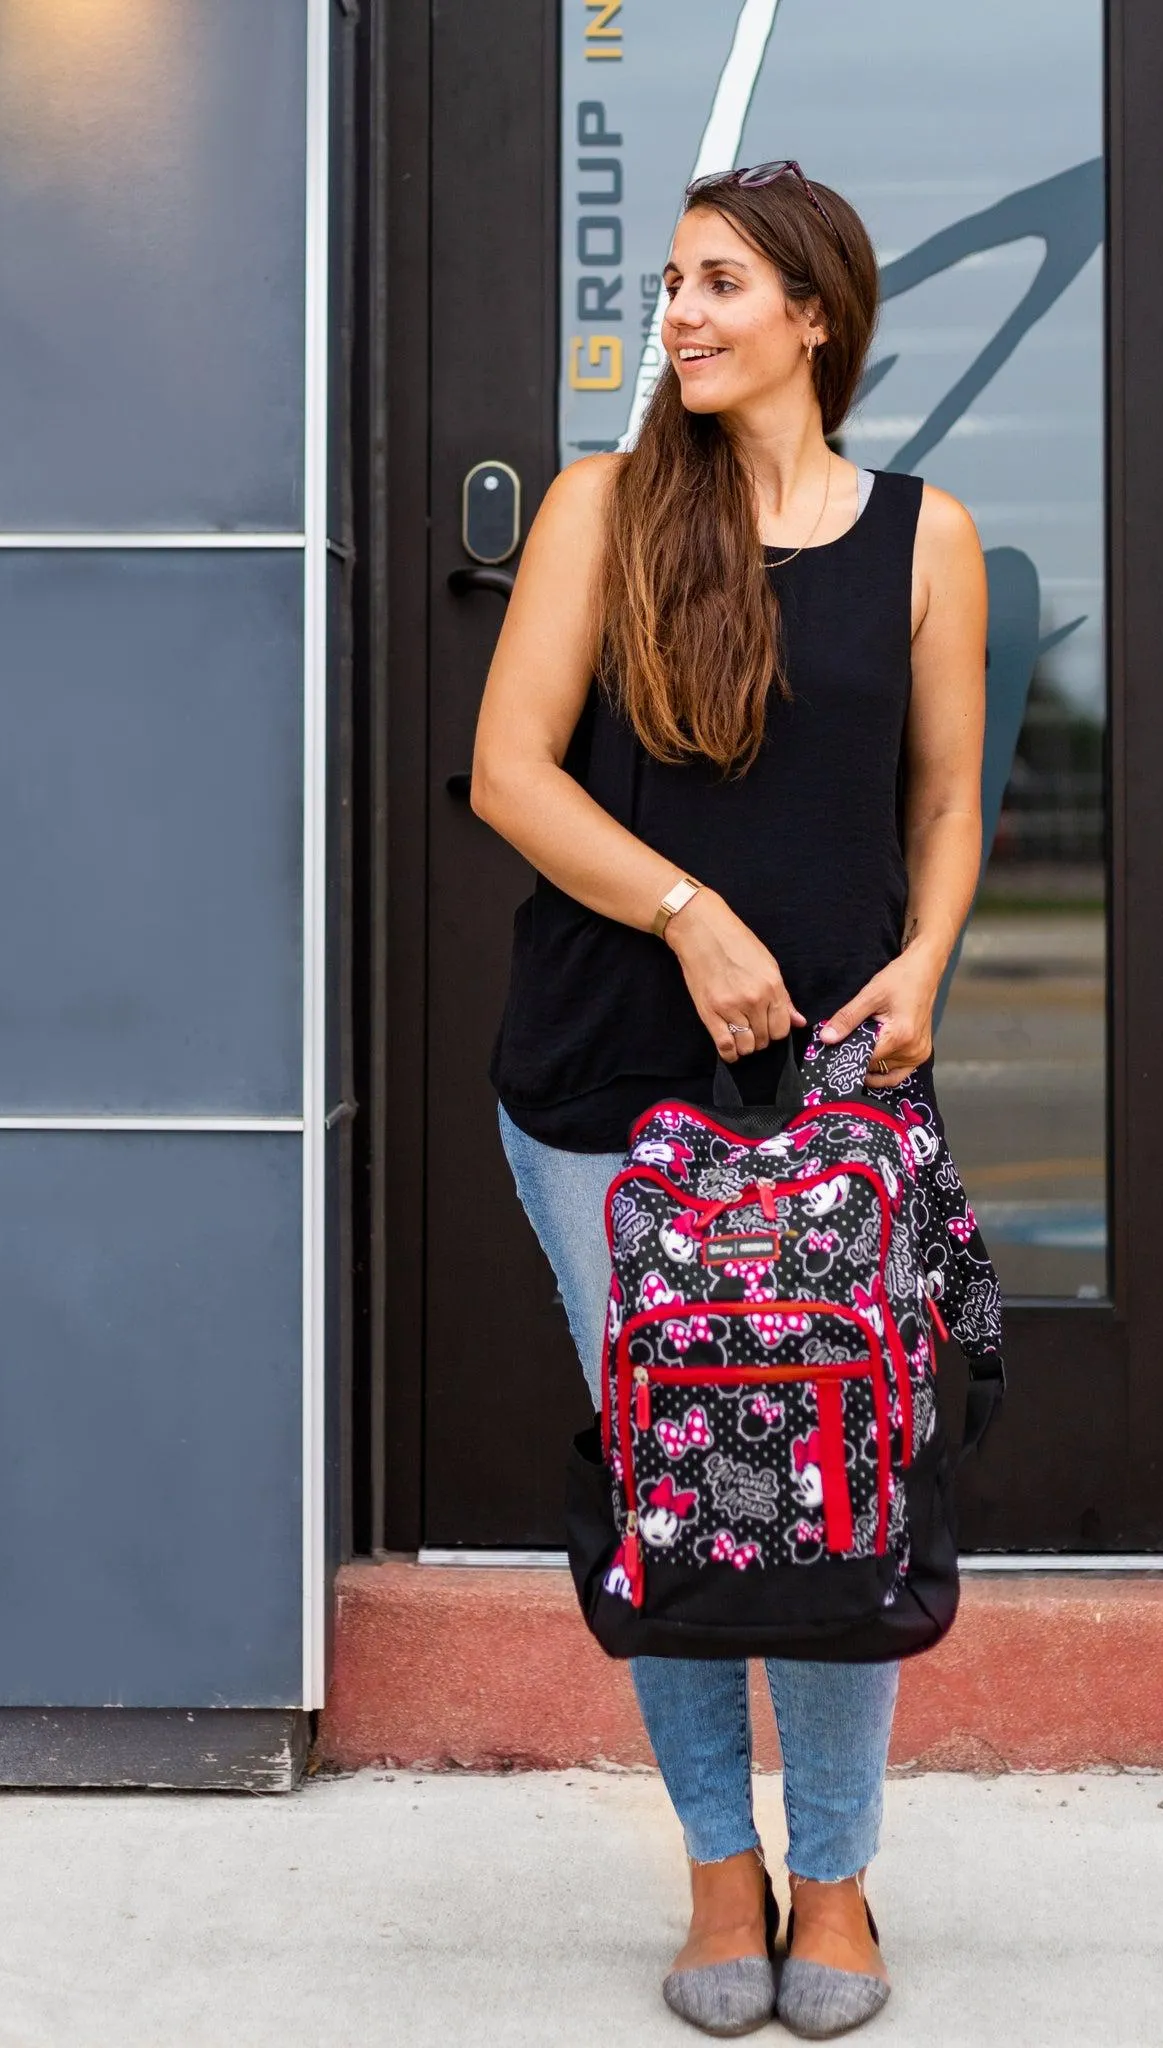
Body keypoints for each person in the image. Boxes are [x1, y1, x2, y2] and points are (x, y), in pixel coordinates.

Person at [471, 160, 987, 2039]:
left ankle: (835, 1880)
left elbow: (943, 800)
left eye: (719, 285)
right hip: (605, 1079)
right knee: (671, 1489)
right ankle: (717, 1869)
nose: (679, 315)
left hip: (835, 1095)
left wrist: (927, 960)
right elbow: (512, 775)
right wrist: (691, 915)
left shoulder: (923, 537)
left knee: (839, 1483)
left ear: (815, 318)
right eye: (673, 284)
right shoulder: (603, 512)